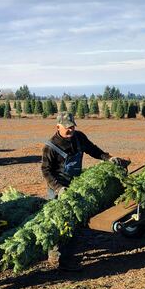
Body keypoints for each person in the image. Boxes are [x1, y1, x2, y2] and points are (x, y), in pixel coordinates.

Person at [40, 111, 128, 269]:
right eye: (67, 128)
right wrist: (59, 189)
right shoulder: (50, 146)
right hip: (58, 189)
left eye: (72, 127)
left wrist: (108, 158)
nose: (71, 130)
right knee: (58, 222)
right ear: (57, 127)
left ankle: (67, 259)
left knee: (74, 222)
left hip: (75, 185)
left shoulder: (79, 138)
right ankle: (55, 258)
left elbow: (94, 150)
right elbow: (46, 171)